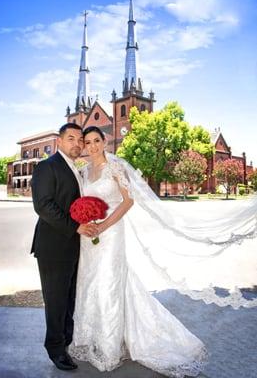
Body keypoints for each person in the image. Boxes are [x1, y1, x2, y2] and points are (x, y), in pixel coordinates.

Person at [69, 126, 211, 377]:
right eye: (87, 142)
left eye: (96, 141)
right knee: (89, 283)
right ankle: (89, 338)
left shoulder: (115, 168)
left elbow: (128, 201)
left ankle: (109, 347)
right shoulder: (83, 171)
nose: (91, 146)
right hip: (89, 236)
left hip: (111, 234)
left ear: (104, 142)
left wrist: (103, 225)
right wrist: (86, 223)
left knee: (109, 284)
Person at [31, 123, 98, 371]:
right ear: (59, 142)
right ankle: (55, 349)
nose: (77, 144)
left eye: (80, 139)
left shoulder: (76, 170)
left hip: (72, 246)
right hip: (53, 247)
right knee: (56, 300)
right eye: (71, 138)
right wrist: (75, 227)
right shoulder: (47, 167)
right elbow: (43, 205)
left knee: (69, 299)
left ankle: (67, 341)